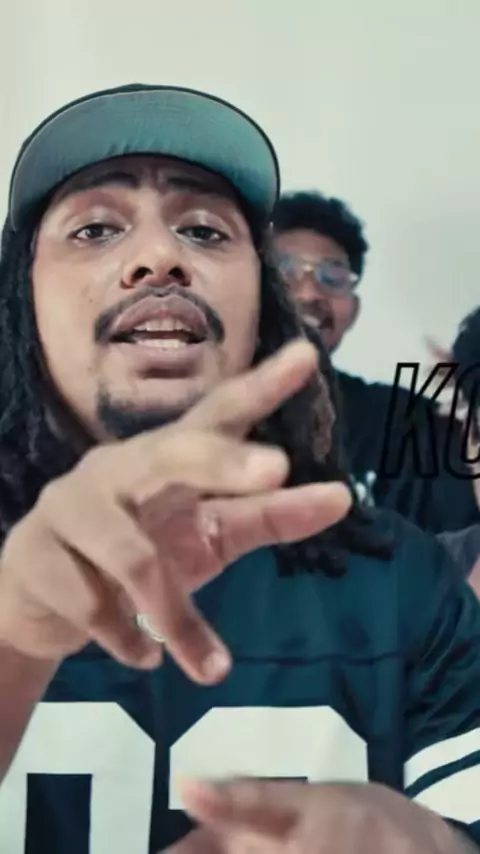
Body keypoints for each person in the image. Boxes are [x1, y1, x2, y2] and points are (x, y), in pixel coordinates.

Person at [0, 84, 479, 854]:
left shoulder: (410, 587)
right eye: (95, 228)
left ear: (262, 306)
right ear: (22, 297)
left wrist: (433, 846)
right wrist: (15, 648)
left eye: (203, 230)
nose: (160, 257)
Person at [272, 192, 479, 533]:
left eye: (332, 276)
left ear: (353, 311)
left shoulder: (408, 425)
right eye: (285, 271)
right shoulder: (193, 403)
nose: (308, 293)